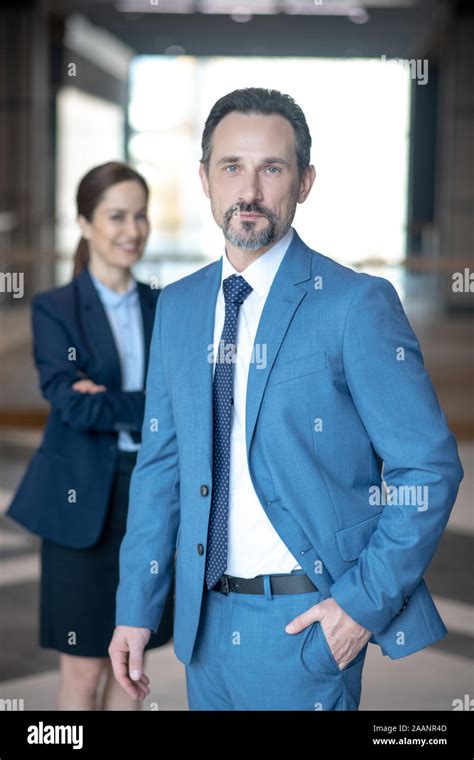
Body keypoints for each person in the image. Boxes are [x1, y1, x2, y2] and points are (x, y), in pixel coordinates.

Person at [109, 89, 464, 711]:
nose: (249, 190)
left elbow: (427, 468)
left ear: (304, 182)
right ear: (204, 179)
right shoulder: (180, 306)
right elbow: (161, 468)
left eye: (272, 168)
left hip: (306, 626)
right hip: (201, 627)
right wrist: (136, 608)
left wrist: (359, 607)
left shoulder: (354, 304)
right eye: (231, 167)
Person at [7, 161, 174, 710]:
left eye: (141, 216)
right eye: (116, 216)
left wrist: (107, 401)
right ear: (84, 223)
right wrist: (150, 408)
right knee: (83, 677)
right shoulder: (55, 309)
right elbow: (72, 408)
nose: (132, 230)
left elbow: (185, 406)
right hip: (80, 507)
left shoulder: (165, 306)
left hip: (149, 497)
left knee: (131, 671)